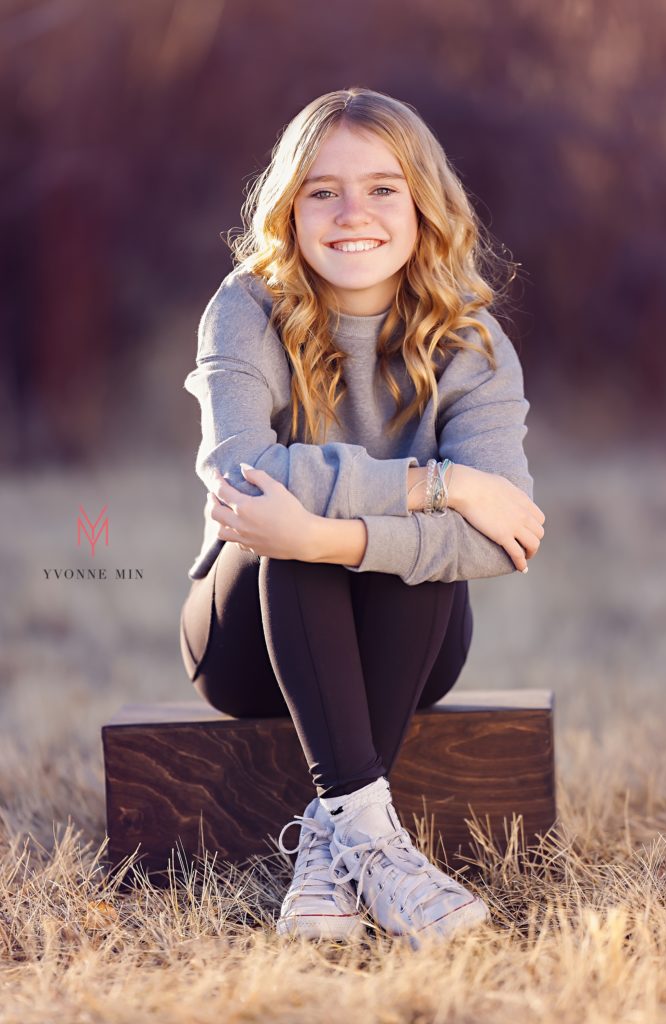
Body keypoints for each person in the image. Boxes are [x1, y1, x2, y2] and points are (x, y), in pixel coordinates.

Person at [178, 86, 545, 948]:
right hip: (244, 639)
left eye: (382, 187)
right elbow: (240, 475)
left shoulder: (472, 342)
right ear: (291, 209)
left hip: (407, 650)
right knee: (283, 530)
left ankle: (339, 847)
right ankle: (378, 850)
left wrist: (340, 533)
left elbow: (509, 538)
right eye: (323, 189)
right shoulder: (246, 306)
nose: (354, 212)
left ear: (422, 205)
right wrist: (436, 485)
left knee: (386, 554)